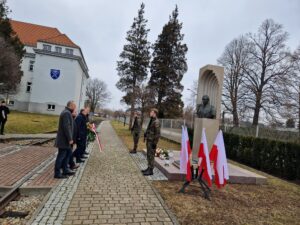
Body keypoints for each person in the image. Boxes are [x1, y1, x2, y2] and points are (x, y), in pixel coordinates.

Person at [54, 101, 76, 179]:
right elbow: (67, 127)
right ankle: (57, 173)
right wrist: (70, 138)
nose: (75, 107)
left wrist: (73, 117)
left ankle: (65, 170)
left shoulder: (68, 113)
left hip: (66, 140)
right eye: (74, 105)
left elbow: (70, 125)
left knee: (67, 155)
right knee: (61, 156)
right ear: (71, 106)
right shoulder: (66, 113)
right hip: (64, 140)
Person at [142, 108, 161, 176]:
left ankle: (151, 171)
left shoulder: (156, 122)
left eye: (151, 112)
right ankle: (149, 168)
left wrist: (154, 143)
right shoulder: (152, 120)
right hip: (149, 140)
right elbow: (150, 130)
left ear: (154, 113)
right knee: (148, 155)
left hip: (152, 142)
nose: (150, 113)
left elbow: (157, 134)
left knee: (151, 156)